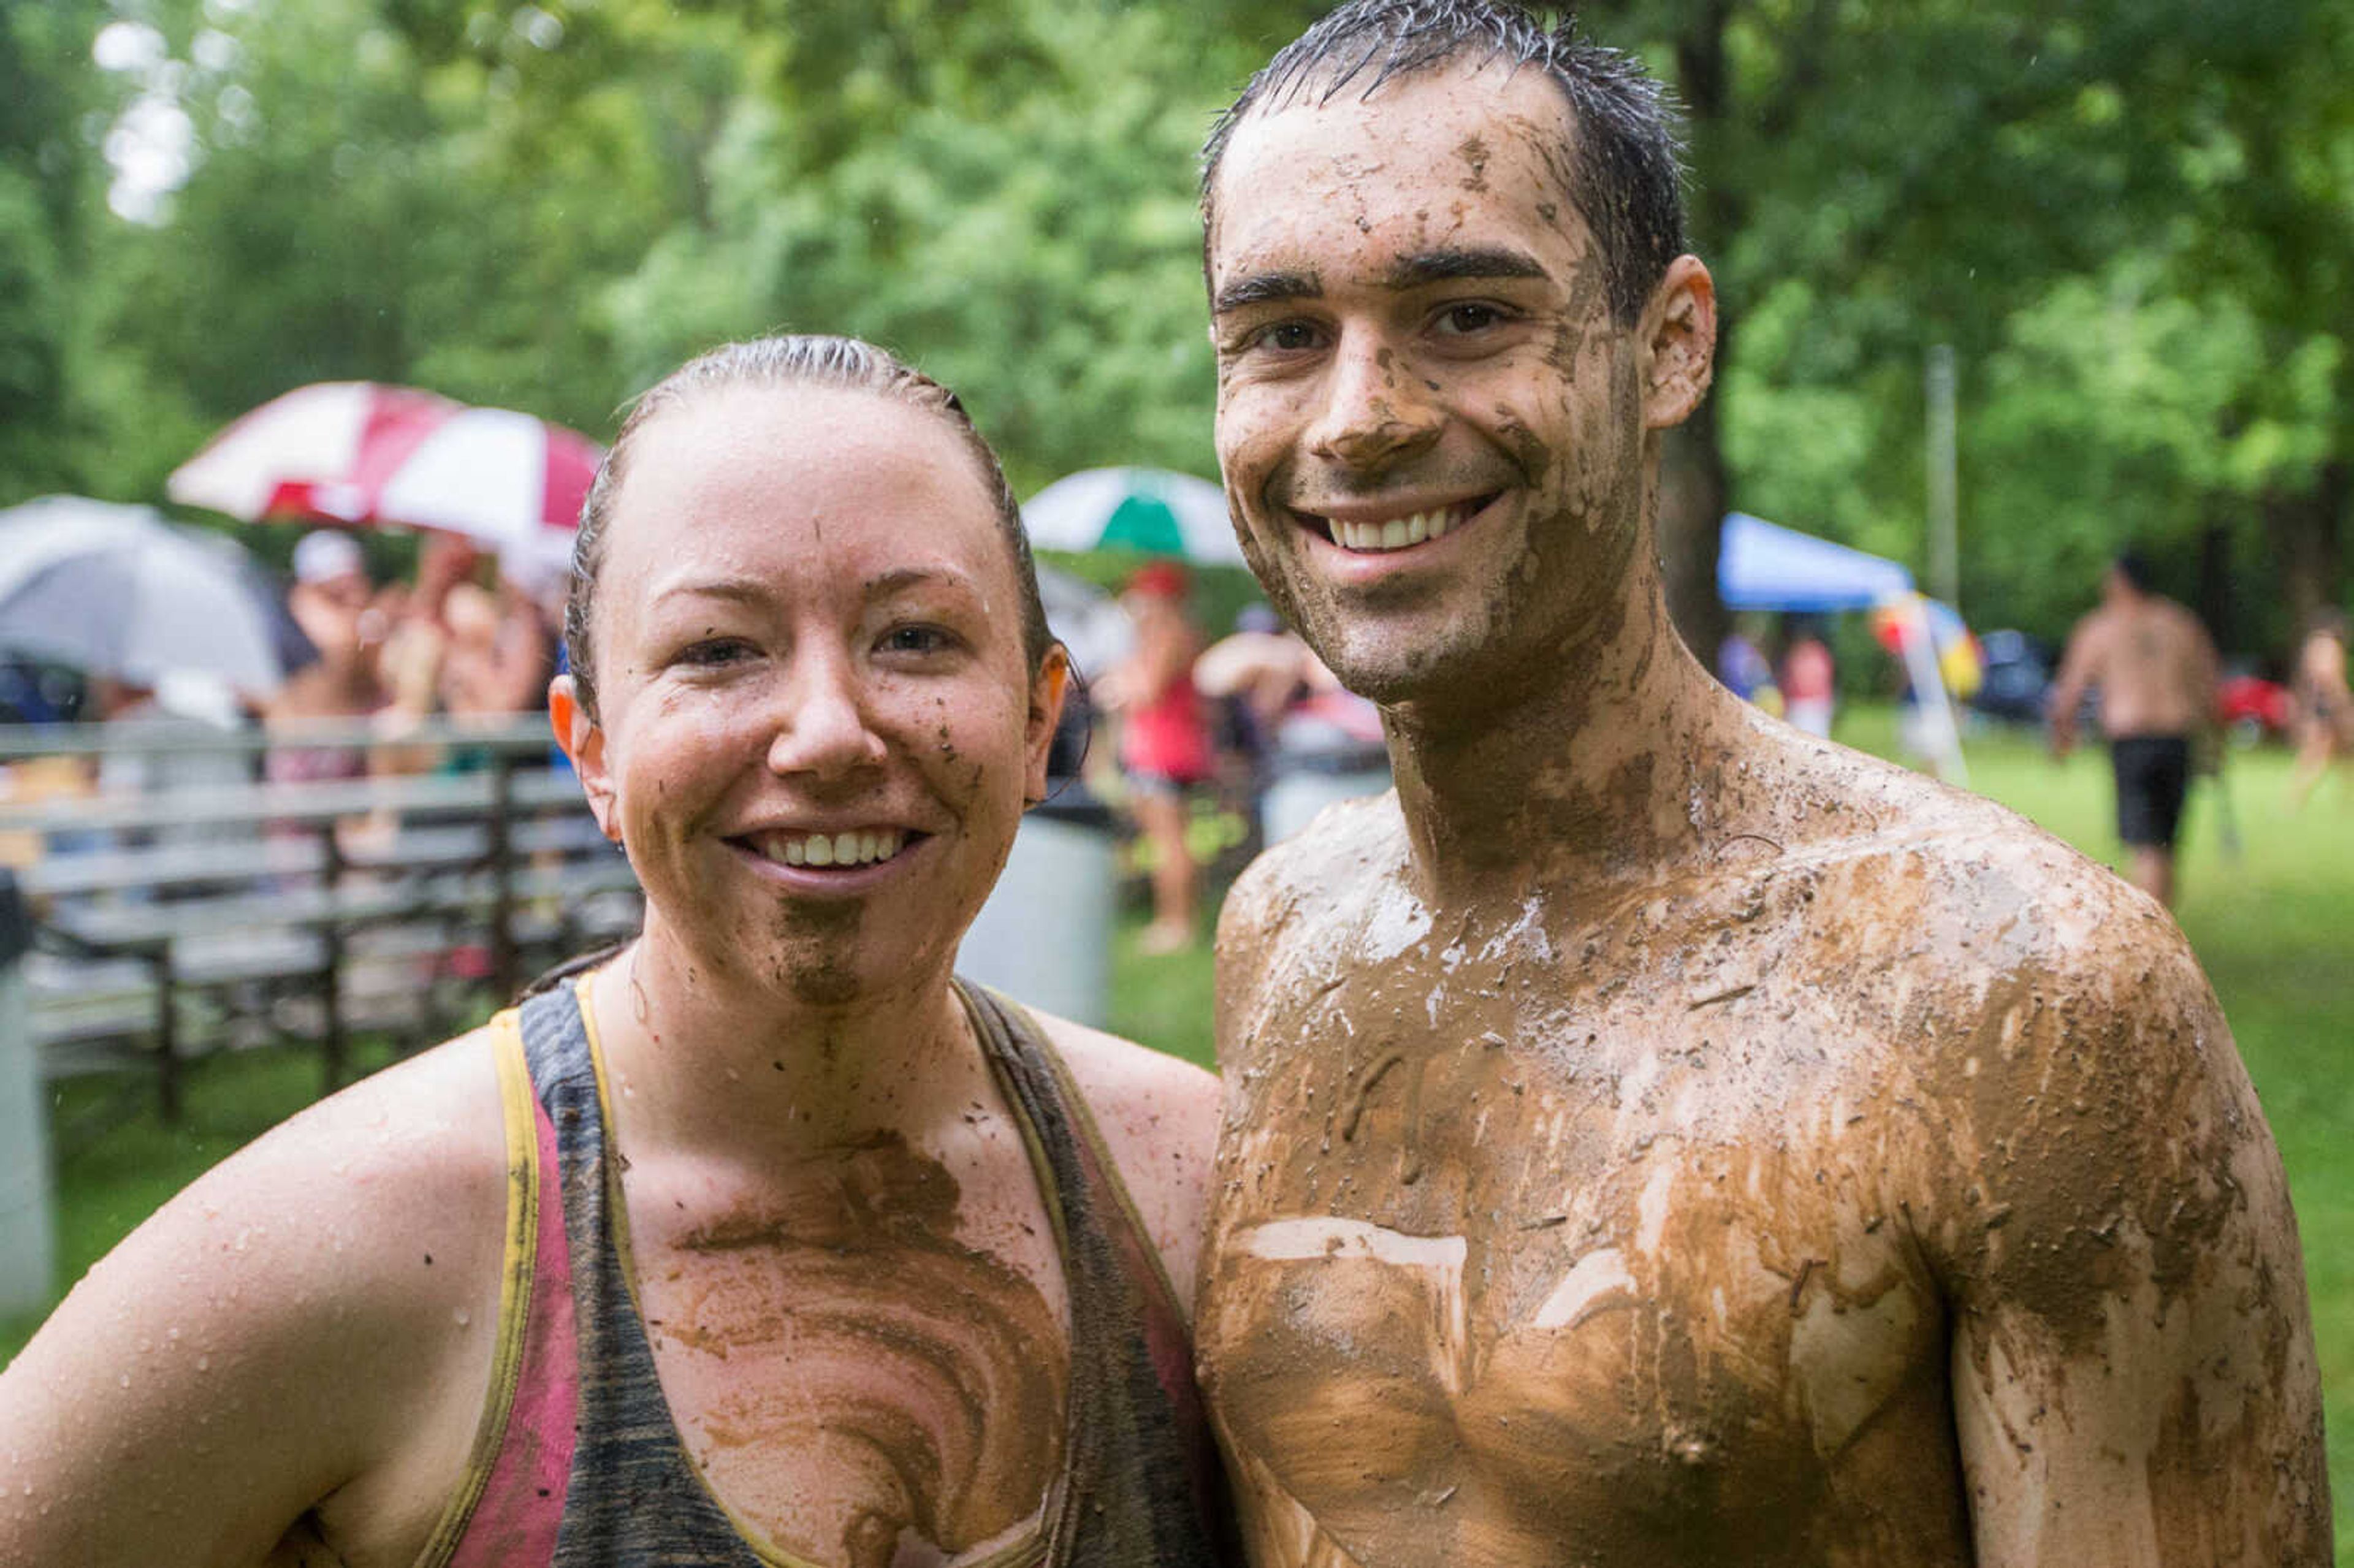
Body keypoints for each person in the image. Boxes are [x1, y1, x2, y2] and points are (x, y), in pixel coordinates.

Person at [1190, 6, 2329, 1566]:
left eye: (1465, 315)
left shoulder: (2017, 998)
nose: (1358, 412)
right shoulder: (1280, 939)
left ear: (1668, 345)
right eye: (1279, 334)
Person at [0, 335, 1235, 1568]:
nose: (825, 733)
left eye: (914, 637)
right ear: (589, 744)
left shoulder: (1205, 1196)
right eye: (717, 649)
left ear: (1037, 717)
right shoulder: (338, 1256)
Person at [2046, 552, 2221, 908]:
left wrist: (2062, 736)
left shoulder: (2102, 627)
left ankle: (2149, 927)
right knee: (2167, 845)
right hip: (2177, 739)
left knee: (2144, 845)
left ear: (2121, 581)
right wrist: (2215, 742)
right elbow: (2208, 687)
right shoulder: (2180, 623)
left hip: (2132, 742)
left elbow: (2071, 690)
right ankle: (2166, 927)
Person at [1100, 560, 1217, 954]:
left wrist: (1121, 683)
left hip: (1167, 750)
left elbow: (1147, 691)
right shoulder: (1156, 637)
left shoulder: (1171, 633)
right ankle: (1172, 920)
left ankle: (1178, 925)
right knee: (1163, 840)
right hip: (1154, 750)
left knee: (1171, 842)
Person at [2286, 608, 2350, 809]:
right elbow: (2329, 676)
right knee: (2320, 754)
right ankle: (2295, 798)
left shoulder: (2312, 645)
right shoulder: (2330, 646)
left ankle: (2346, 799)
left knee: (2341, 753)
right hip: (2330, 705)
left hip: (2316, 703)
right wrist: (2344, 701)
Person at [1778, 614, 1835, 737]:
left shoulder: (1808, 653)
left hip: (1810, 706)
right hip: (1804, 706)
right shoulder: (1816, 653)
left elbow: (1798, 682)